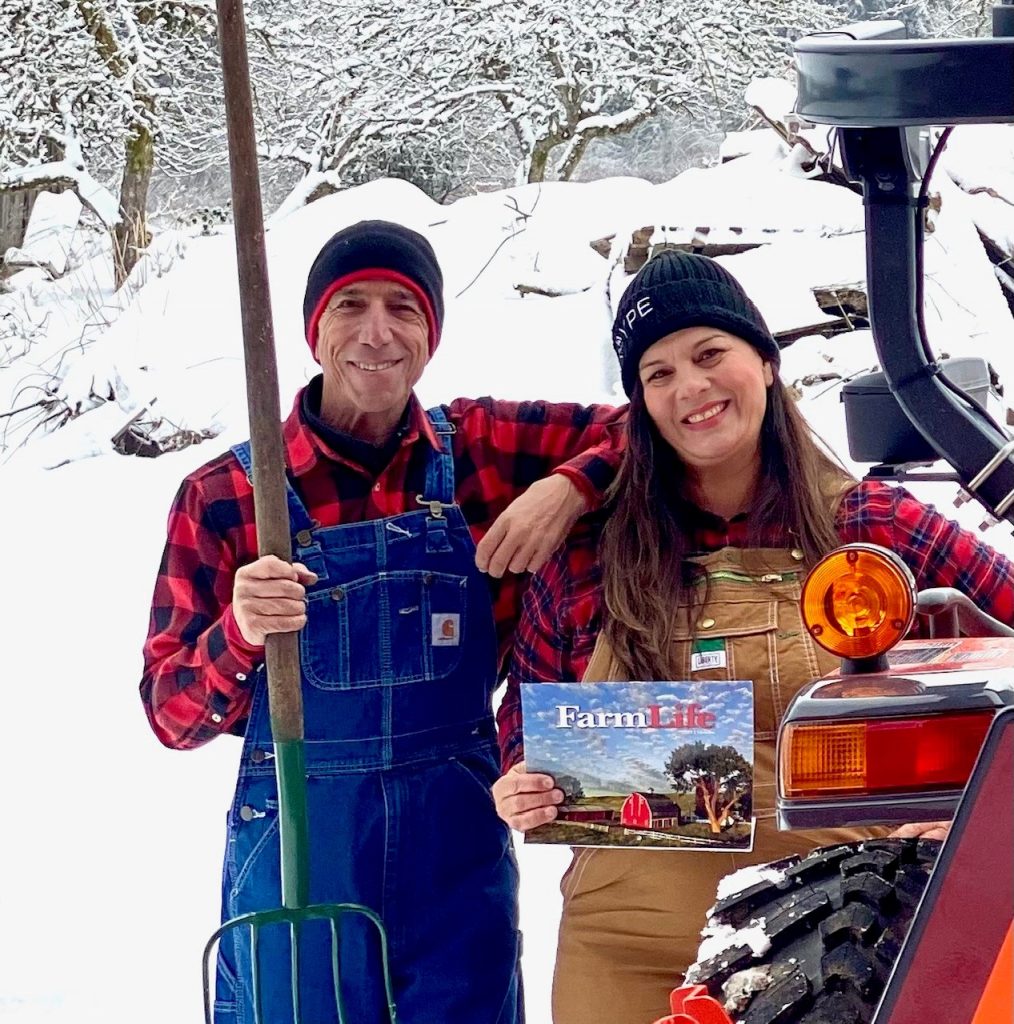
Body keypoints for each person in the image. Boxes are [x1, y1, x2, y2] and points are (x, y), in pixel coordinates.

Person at [493, 249, 1014, 1024]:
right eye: (658, 374)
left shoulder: (872, 528)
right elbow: (523, 724)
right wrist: (522, 782)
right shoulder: (587, 557)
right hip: (627, 955)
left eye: (710, 355)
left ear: (766, 364)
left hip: (841, 946)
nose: (690, 389)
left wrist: (970, 813)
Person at [140, 220, 626, 1024]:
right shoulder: (225, 496)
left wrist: (567, 487)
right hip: (301, 847)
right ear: (312, 329)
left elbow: (655, 424)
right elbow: (171, 714)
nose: (378, 332)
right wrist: (240, 632)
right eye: (351, 305)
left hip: (455, 850)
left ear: (430, 332)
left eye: (403, 307)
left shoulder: (480, 449)